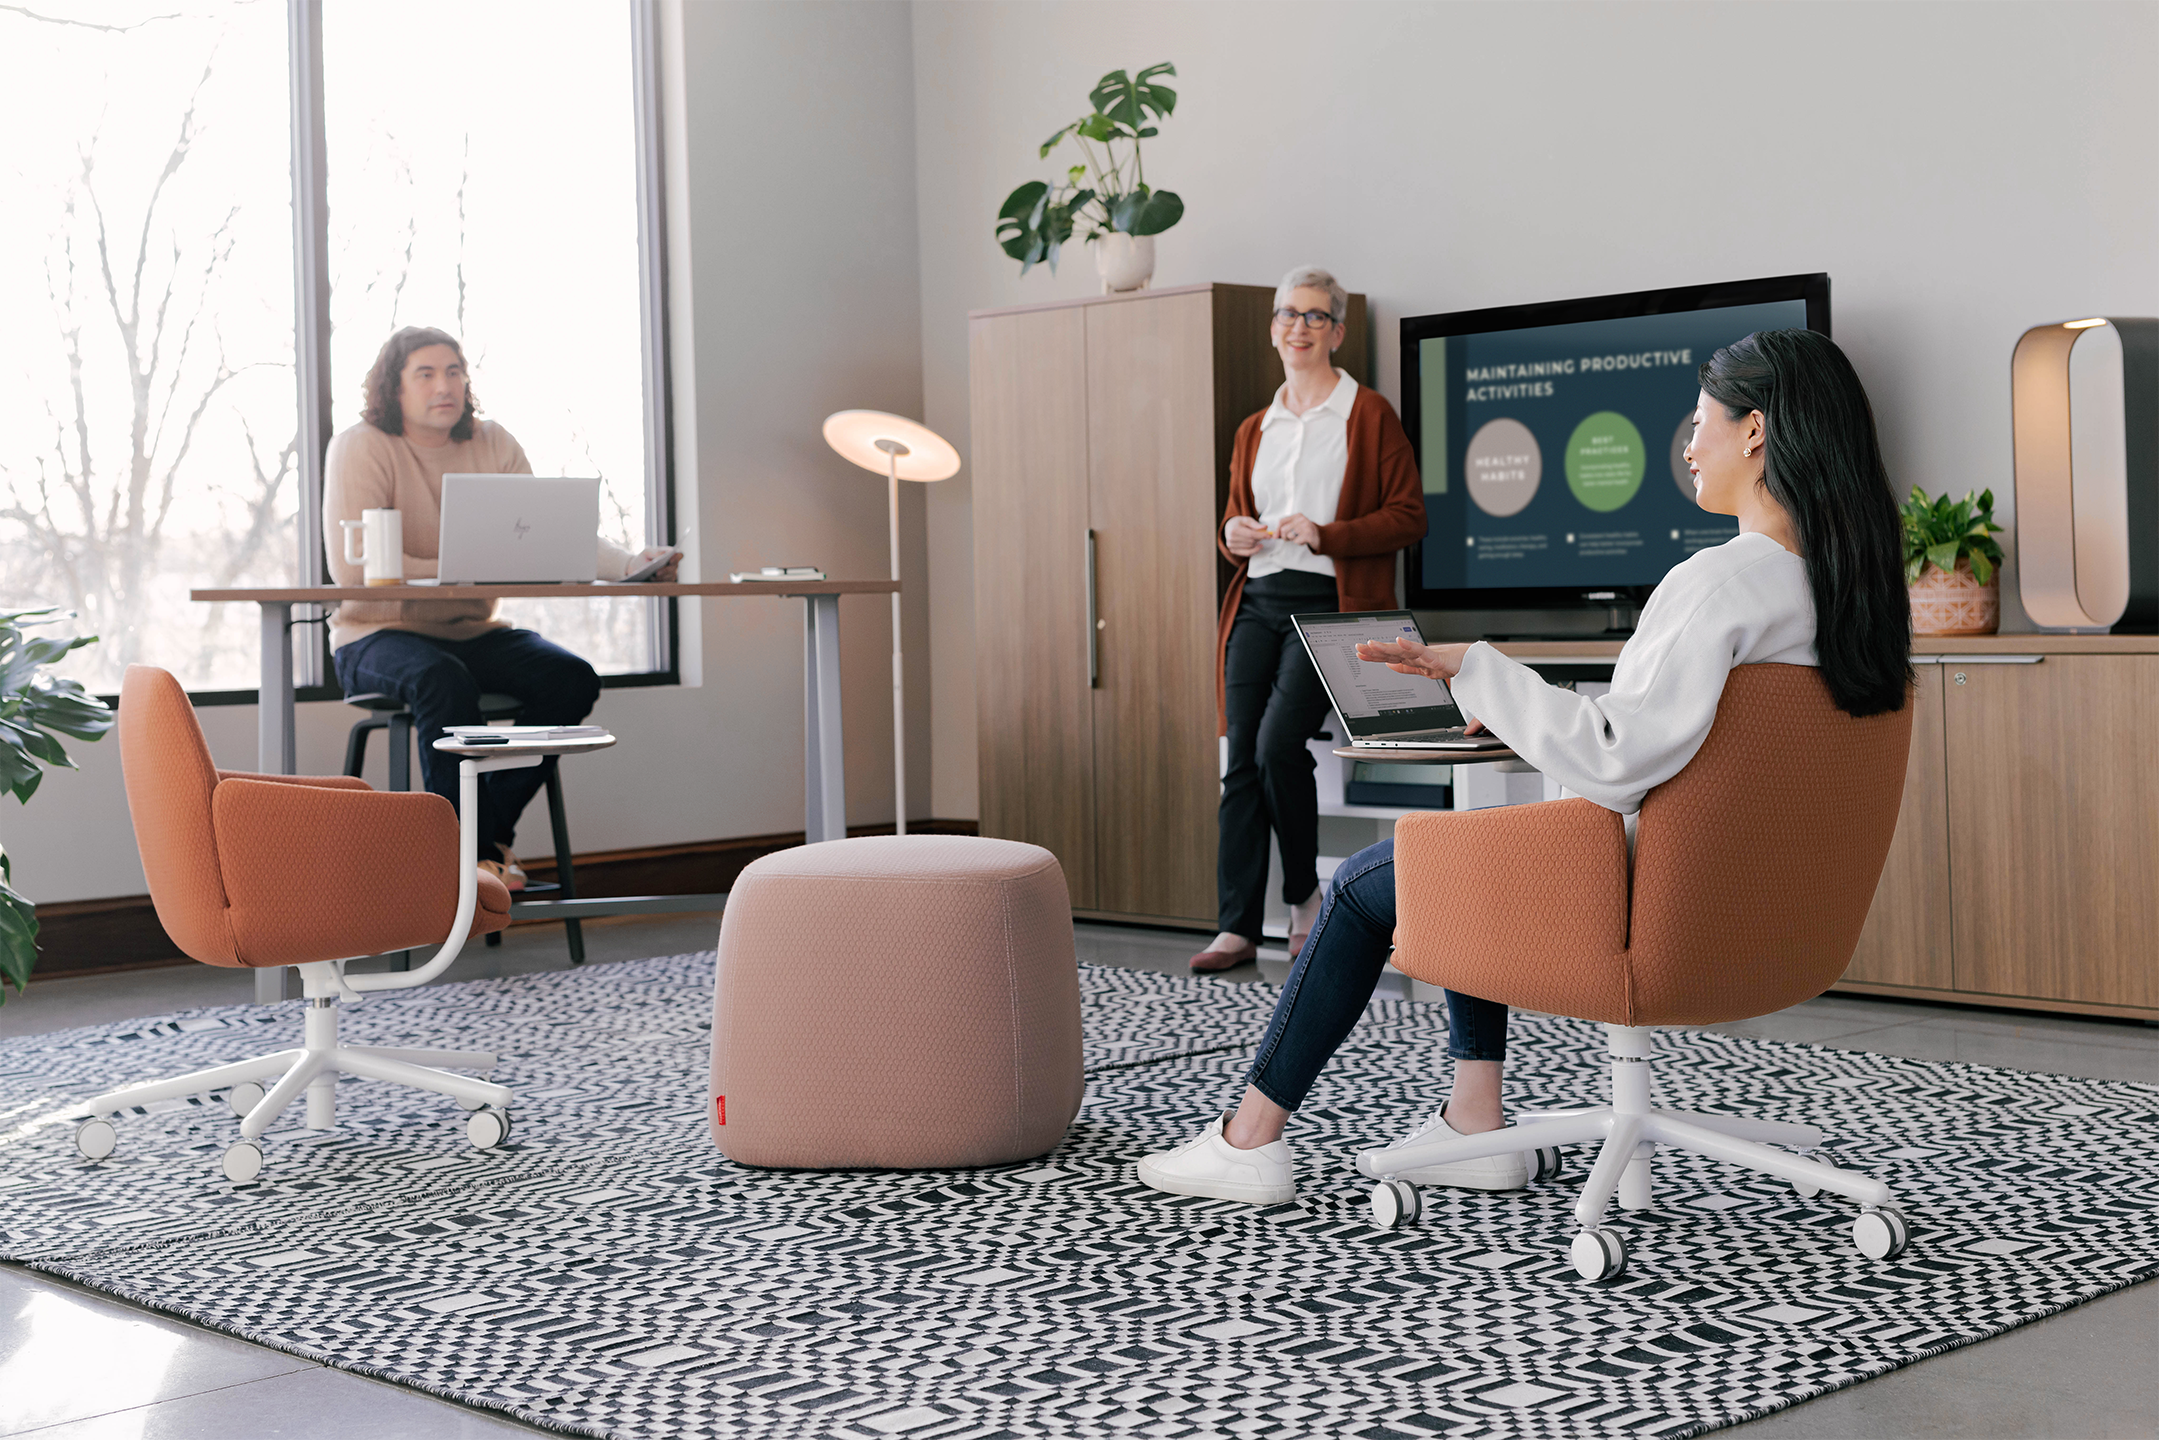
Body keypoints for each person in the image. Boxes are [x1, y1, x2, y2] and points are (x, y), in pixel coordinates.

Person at [1139, 328, 1913, 1203]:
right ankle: (1475, 1122)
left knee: (1362, 885)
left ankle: (1248, 1143)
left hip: (1638, 902)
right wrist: (1499, 693)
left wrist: (1475, 667)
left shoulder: (1719, 584)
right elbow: (1669, 745)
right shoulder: (1849, 596)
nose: (1688, 447)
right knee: (1476, 841)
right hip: (1755, 914)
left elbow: (1614, 764)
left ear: (1755, 432)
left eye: (1699, 422)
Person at [322, 325, 679, 890]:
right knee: (444, 680)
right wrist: (461, 568)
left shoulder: (493, 443)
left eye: (455, 371)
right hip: (373, 633)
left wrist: (634, 562)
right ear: (394, 389)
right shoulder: (361, 444)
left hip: (472, 628)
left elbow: (549, 537)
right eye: (427, 374)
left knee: (570, 678)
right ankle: (463, 858)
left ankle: (486, 843)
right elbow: (355, 575)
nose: (446, 385)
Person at [1194, 267, 1426, 974]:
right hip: (1255, 599)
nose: (1299, 327)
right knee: (1241, 761)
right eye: (1288, 315)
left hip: (1328, 605)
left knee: (1273, 746)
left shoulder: (1367, 413)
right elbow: (1236, 516)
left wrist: (1324, 533)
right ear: (1272, 328)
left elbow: (1408, 517)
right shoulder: (1252, 428)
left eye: (1315, 316)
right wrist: (1230, 533)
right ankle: (1235, 926)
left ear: (1337, 331)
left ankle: (1302, 899)